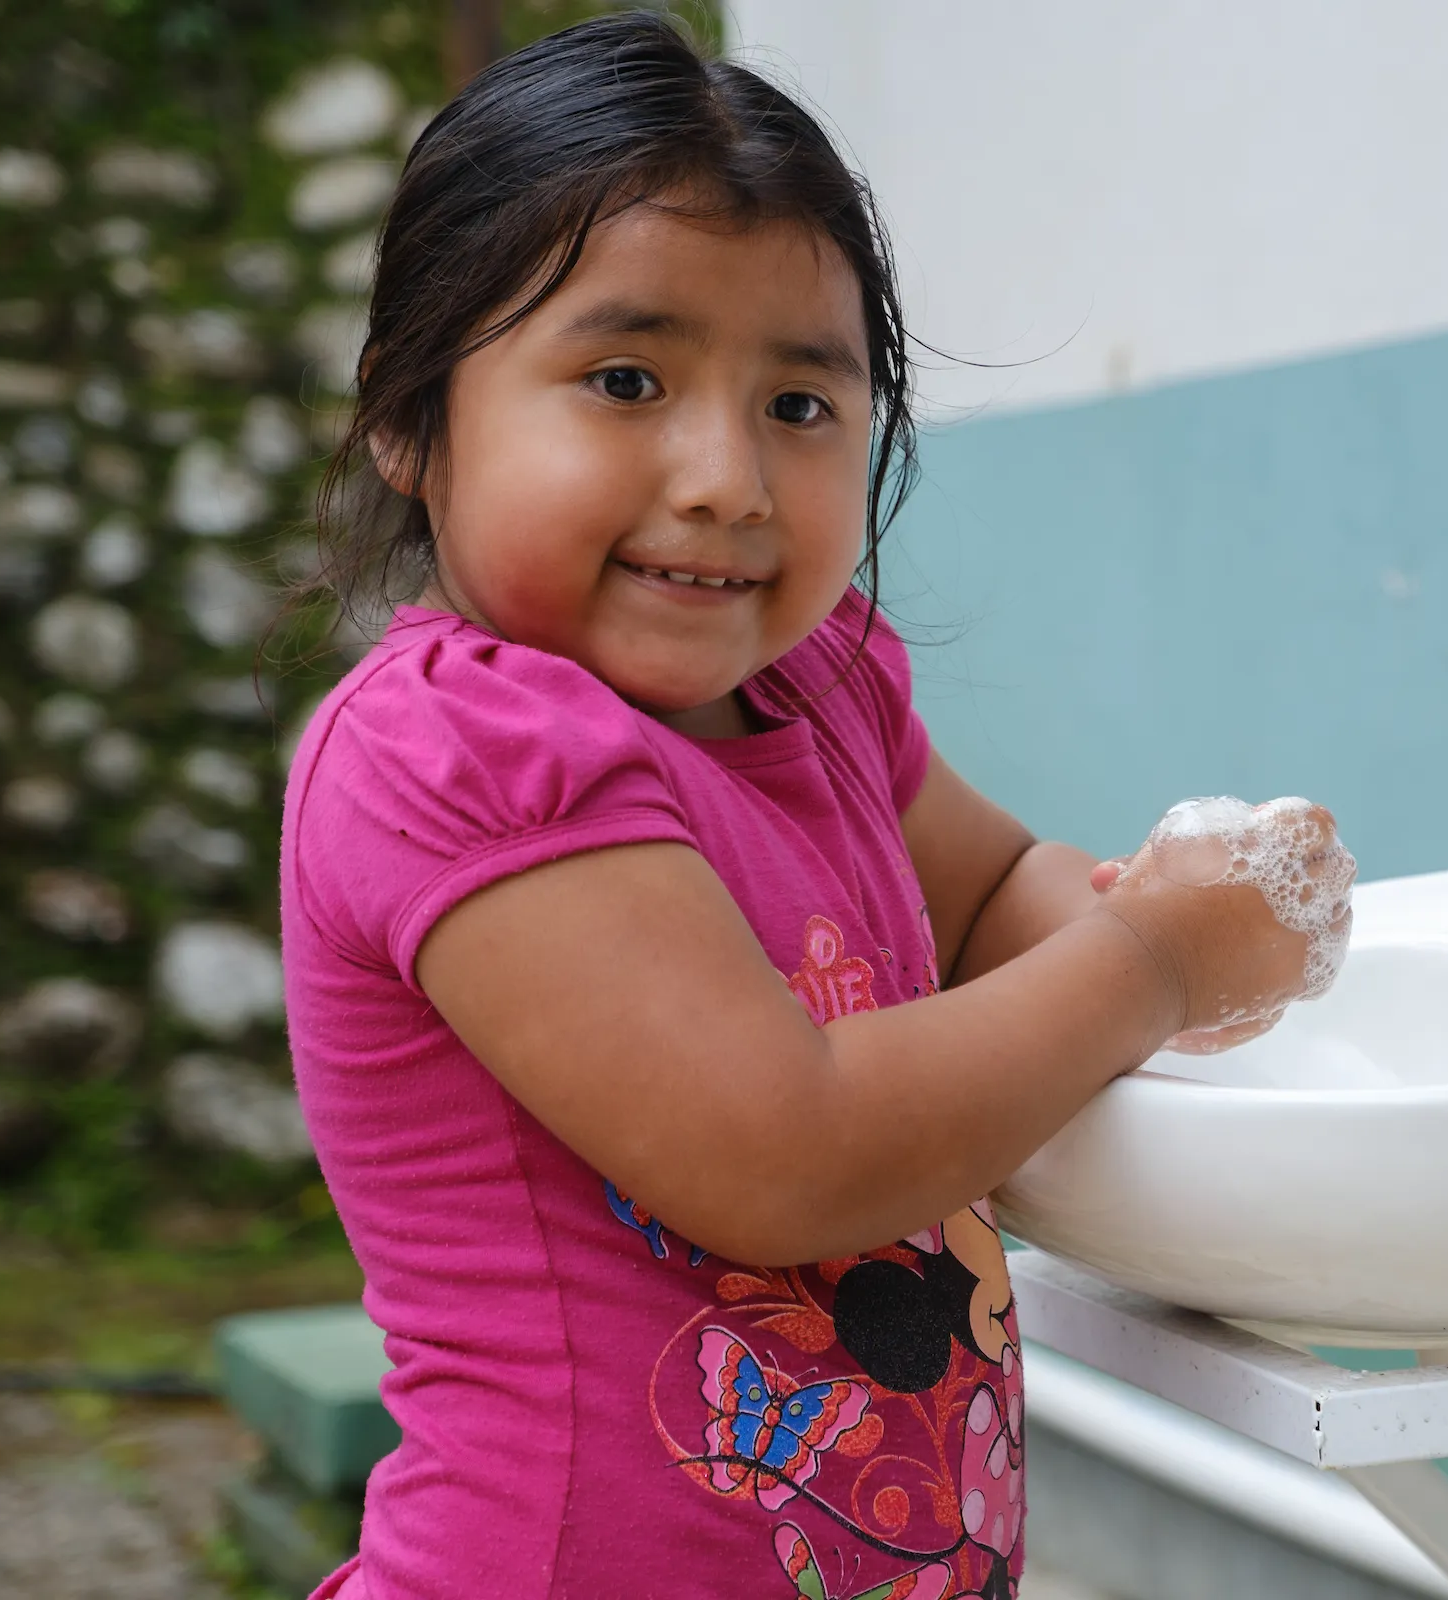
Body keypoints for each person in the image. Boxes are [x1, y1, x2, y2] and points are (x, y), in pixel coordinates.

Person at [280, 15, 1353, 1598]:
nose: (727, 476)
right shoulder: (458, 752)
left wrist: (1169, 904)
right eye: (627, 379)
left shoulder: (821, 680)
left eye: (802, 404)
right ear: (405, 415)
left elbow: (986, 901)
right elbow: (788, 1154)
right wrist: (1158, 967)